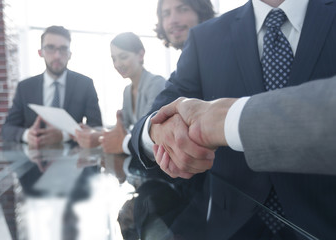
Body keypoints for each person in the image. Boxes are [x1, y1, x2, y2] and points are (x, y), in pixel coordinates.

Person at [131, 0, 336, 239]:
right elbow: (156, 115)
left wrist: (224, 120)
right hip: (230, 226)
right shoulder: (205, 37)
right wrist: (159, 131)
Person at [152, 75, 336, 175]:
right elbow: (159, 111)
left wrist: (220, 120)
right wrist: (157, 129)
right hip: (230, 218)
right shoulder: (204, 36)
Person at [1, 26, 102, 148]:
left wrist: (64, 136)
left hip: (74, 161)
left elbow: (97, 127)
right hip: (35, 160)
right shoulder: (25, 87)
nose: (57, 56)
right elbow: (7, 129)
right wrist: (28, 135)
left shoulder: (85, 84)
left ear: (70, 54)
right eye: (50, 48)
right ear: (40, 52)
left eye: (63, 49)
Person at [75, 32, 166, 154]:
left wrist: (100, 136)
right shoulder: (127, 91)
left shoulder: (156, 83)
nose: (117, 64)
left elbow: (146, 129)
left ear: (140, 54)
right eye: (114, 59)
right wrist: (93, 131)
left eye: (123, 57)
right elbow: (123, 128)